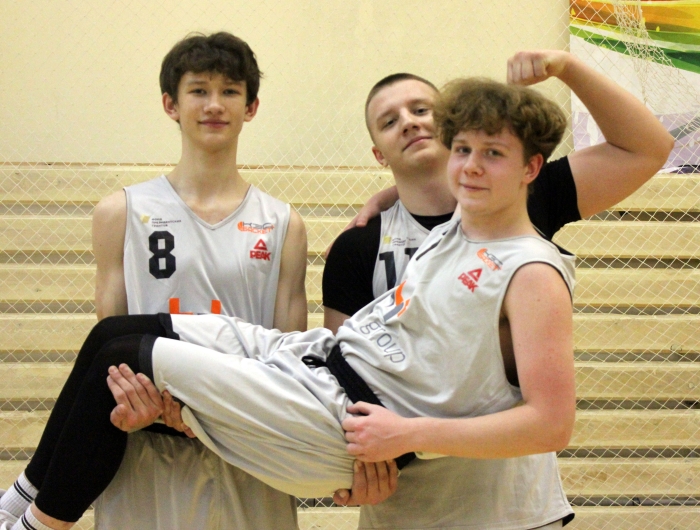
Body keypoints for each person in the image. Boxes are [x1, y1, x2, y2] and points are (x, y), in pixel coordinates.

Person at [1, 77, 577, 530]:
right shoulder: (459, 225)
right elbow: (438, 175)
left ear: (531, 168)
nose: (471, 165)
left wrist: (410, 435)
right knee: (114, 335)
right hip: (317, 361)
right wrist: (387, 192)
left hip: (346, 417)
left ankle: (36, 526)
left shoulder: (531, 271)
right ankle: (19, 499)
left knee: (124, 359)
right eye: (463, 150)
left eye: (493, 154)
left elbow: (552, 424)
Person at [1, 31, 312, 530]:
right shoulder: (120, 213)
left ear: (251, 107)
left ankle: (27, 503)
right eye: (199, 90)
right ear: (171, 104)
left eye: (230, 91)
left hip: (243, 448)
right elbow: (115, 345)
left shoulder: (283, 224)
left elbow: (287, 354)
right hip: (146, 445)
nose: (215, 104)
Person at [323, 50, 674, 336]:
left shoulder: (523, 193)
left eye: (421, 110)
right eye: (389, 121)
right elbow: (344, 369)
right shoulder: (356, 247)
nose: (409, 122)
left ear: (450, 123)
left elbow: (648, 149)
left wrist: (569, 68)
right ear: (379, 155)